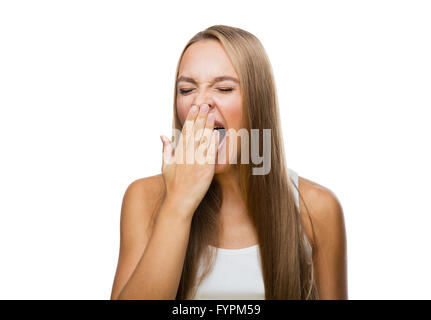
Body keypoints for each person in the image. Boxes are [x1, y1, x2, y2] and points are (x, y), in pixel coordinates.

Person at [110, 25, 347, 300]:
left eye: (223, 88)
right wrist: (178, 204)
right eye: (186, 90)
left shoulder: (317, 208)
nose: (199, 103)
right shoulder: (144, 199)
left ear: (258, 102)